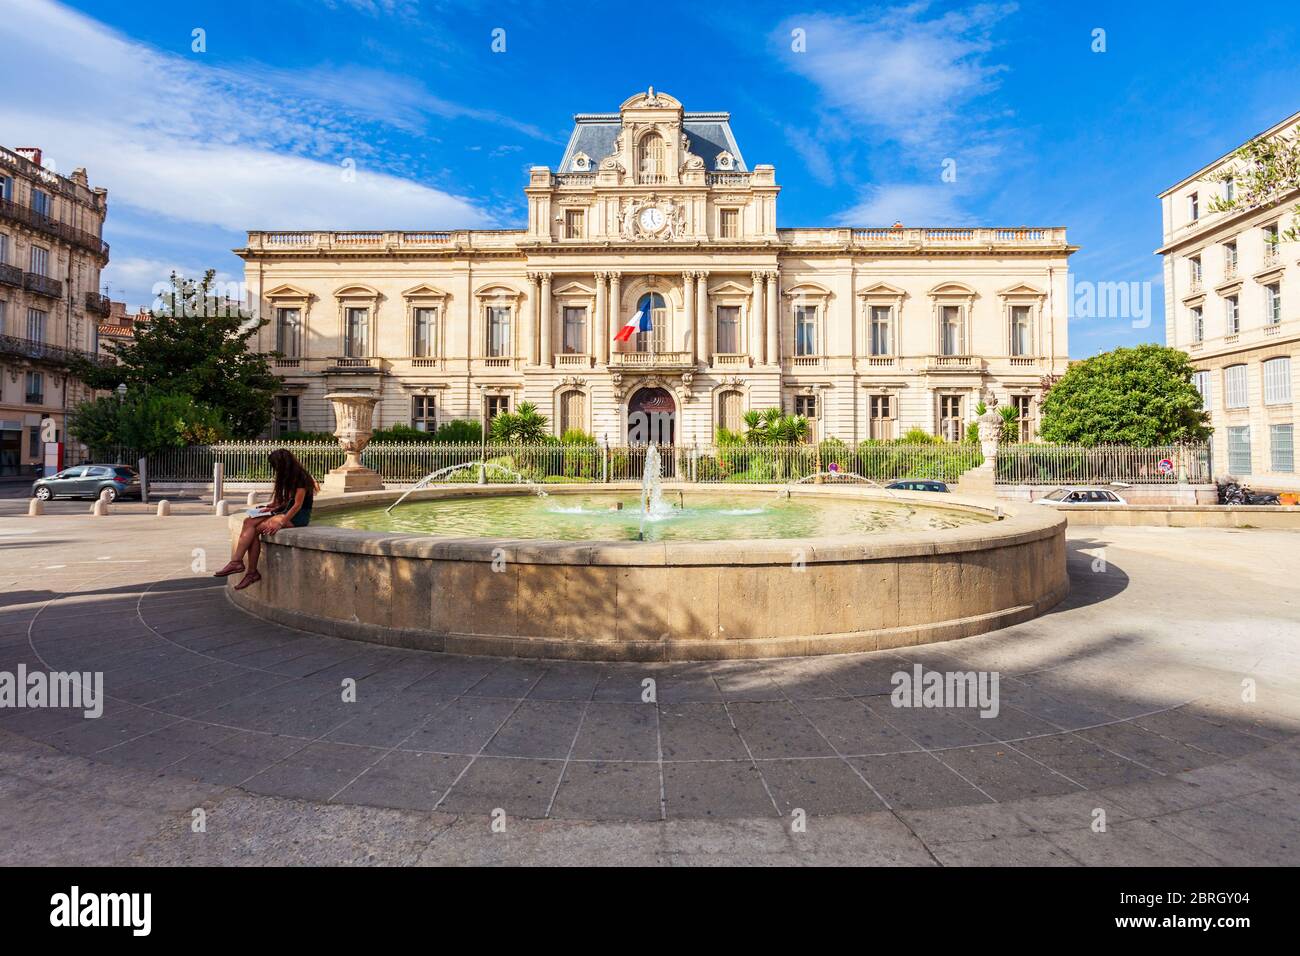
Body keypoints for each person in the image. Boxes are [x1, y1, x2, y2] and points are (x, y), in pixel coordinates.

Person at [213, 448, 318, 590]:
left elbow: (298, 505)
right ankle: (242, 566)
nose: (275, 470)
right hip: (286, 512)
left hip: (298, 517)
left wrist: (280, 522)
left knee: (255, 528)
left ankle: (245, 569)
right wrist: (272, 508)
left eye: (276, 466)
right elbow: (287, 501)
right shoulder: (289, 476)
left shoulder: (301, 477)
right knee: (248, 522)